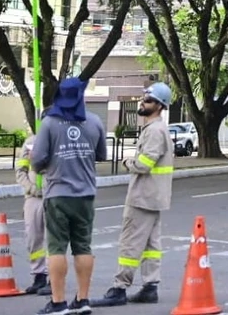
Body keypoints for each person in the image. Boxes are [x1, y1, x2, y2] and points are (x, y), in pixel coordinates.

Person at [92, 83, 174, 307]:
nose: (142, 102)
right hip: (153, 197)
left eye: (148, 100)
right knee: (150, 245)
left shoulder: (155, 130)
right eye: (143, 98)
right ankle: (150, 287)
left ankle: (119, 288)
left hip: (143, 196)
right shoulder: (157, 129)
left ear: (159, 106)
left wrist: (128, 162)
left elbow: (145, 164)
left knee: (129, 243)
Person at [31, 77, 107, 315]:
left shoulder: (50, 123)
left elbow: (36, 161)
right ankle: (83, 300)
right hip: (85, 195)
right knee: (83, 247)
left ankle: (58, 302)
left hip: (58, 195)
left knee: (56, 249)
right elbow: (101, 155)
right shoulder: (94, 121)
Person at [16, 136, 49, 295]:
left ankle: (52, 279)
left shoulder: (58, 139)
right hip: (33, 198)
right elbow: (21, 171)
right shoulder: (30, 142)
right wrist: (31, 188)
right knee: (33, 237)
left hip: (53, 196)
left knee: (53, 239)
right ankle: (39, 276)